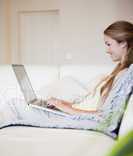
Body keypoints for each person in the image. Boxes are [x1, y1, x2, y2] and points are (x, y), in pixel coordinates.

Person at [0, 21, 133, 138]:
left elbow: (105, 117)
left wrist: (65, 108)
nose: (107, 50)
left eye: (109, 44)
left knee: (14, 104)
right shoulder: (119, 70)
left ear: (123, 44)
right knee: (18, 103)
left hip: (76, 118)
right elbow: (97, 109)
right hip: (73, 112)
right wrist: (64, 104)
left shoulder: (125, 74)